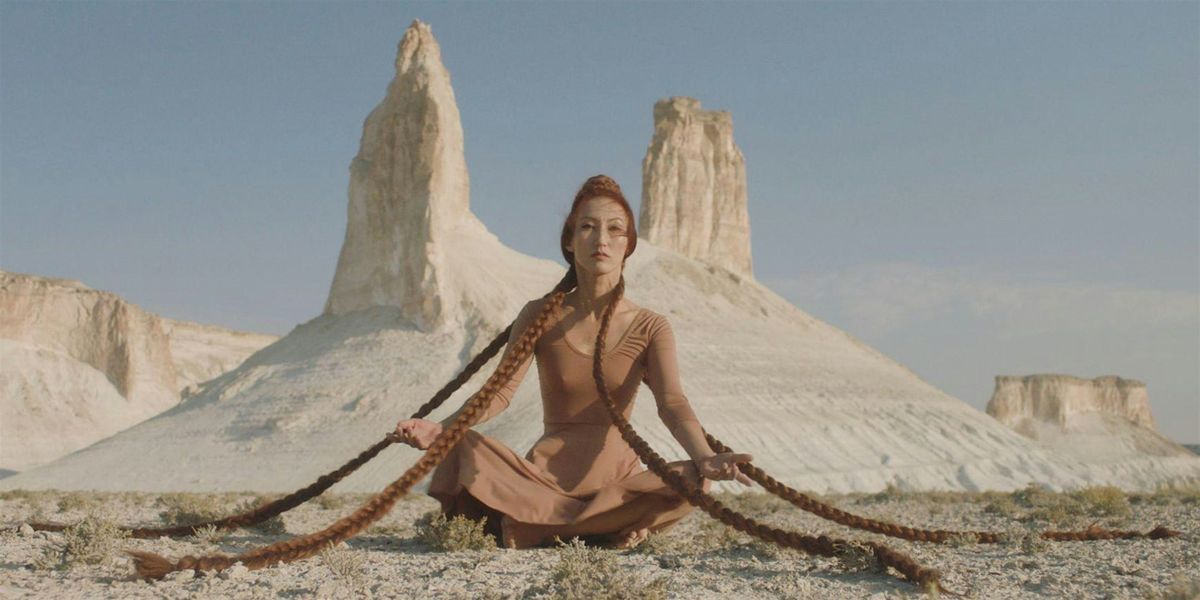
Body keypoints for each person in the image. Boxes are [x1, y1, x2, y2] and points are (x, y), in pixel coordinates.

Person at [390, 174, 753, 549]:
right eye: (588, 227)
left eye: (615, 229)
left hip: (617, 484)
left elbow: (672, 403)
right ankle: (601, 528)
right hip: (542, 482)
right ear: (569, 240)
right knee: (463, 448)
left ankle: (546, 527)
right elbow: (498, 393)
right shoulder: (539, 315)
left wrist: (704, 457)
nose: (601, 240)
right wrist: (442, 429)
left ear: (628, 244)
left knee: (695, 479)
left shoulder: (650, 326)